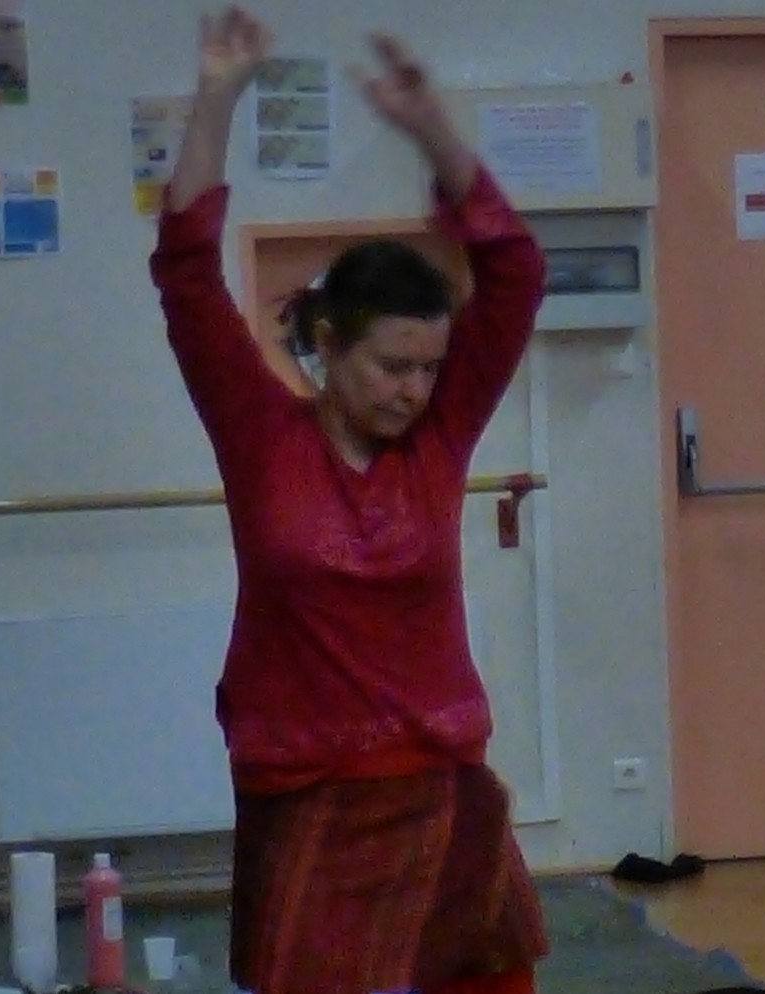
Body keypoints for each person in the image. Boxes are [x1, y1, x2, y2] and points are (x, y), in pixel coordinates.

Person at [147, 7, 550, 994]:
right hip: (304, 787)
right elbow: (186, 272)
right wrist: (217, 95)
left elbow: (516, 273)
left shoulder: (440, 437)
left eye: (429, 367)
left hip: (441, 780)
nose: (414, 390)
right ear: (328, 345)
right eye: (391, 365)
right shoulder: (260, 434)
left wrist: (434, 132)